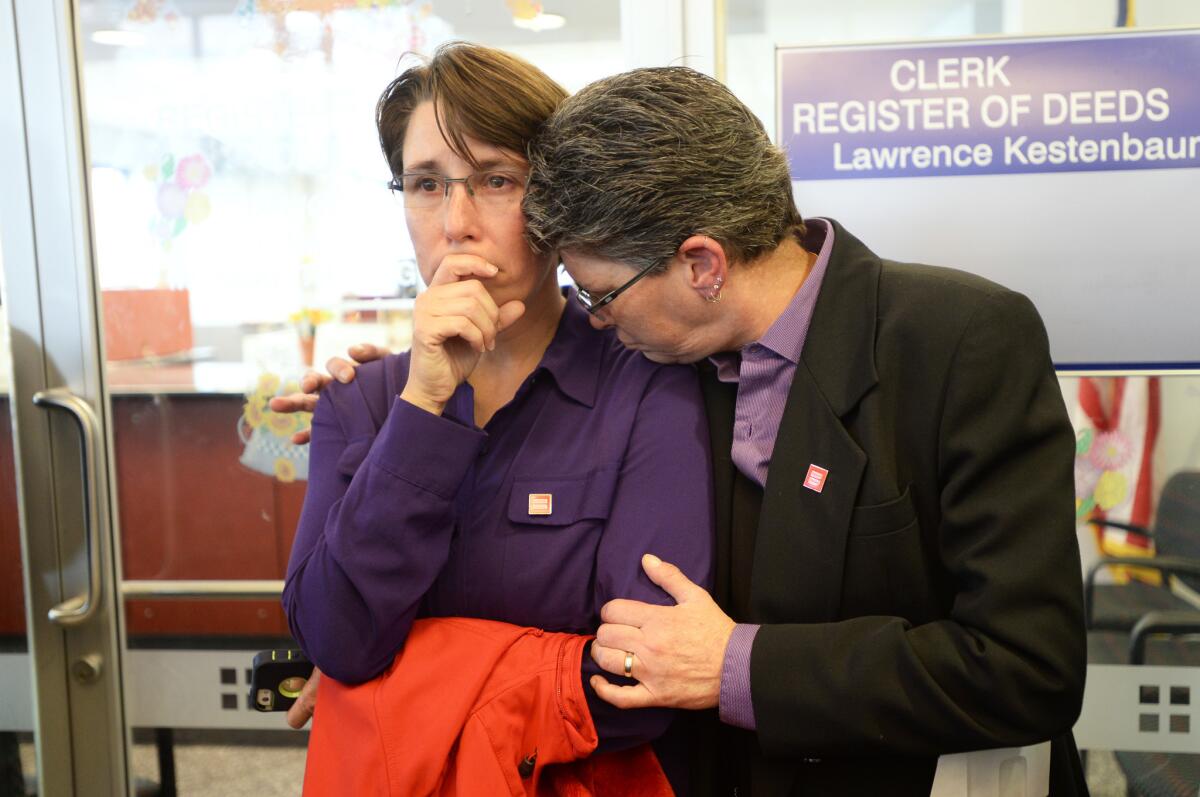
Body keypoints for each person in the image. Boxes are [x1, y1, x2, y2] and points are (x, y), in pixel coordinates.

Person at [302, 64, 1090, 795]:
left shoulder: (958, 340)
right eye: (425, 184)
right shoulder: (678, 354)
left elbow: (1029, 667)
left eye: (602, 293)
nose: (597, 317)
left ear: (704, 266)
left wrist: (735, 666)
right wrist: (402, 406)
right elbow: (350, 620)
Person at [279, 44, 713, 792]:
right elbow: (336, 637)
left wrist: (396, 691)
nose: (456, 222)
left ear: (555, 201)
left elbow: (640, 677)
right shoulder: (363, 397)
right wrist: (423, 406)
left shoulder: (646, 383)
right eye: (425, 184)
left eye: (497, 180)